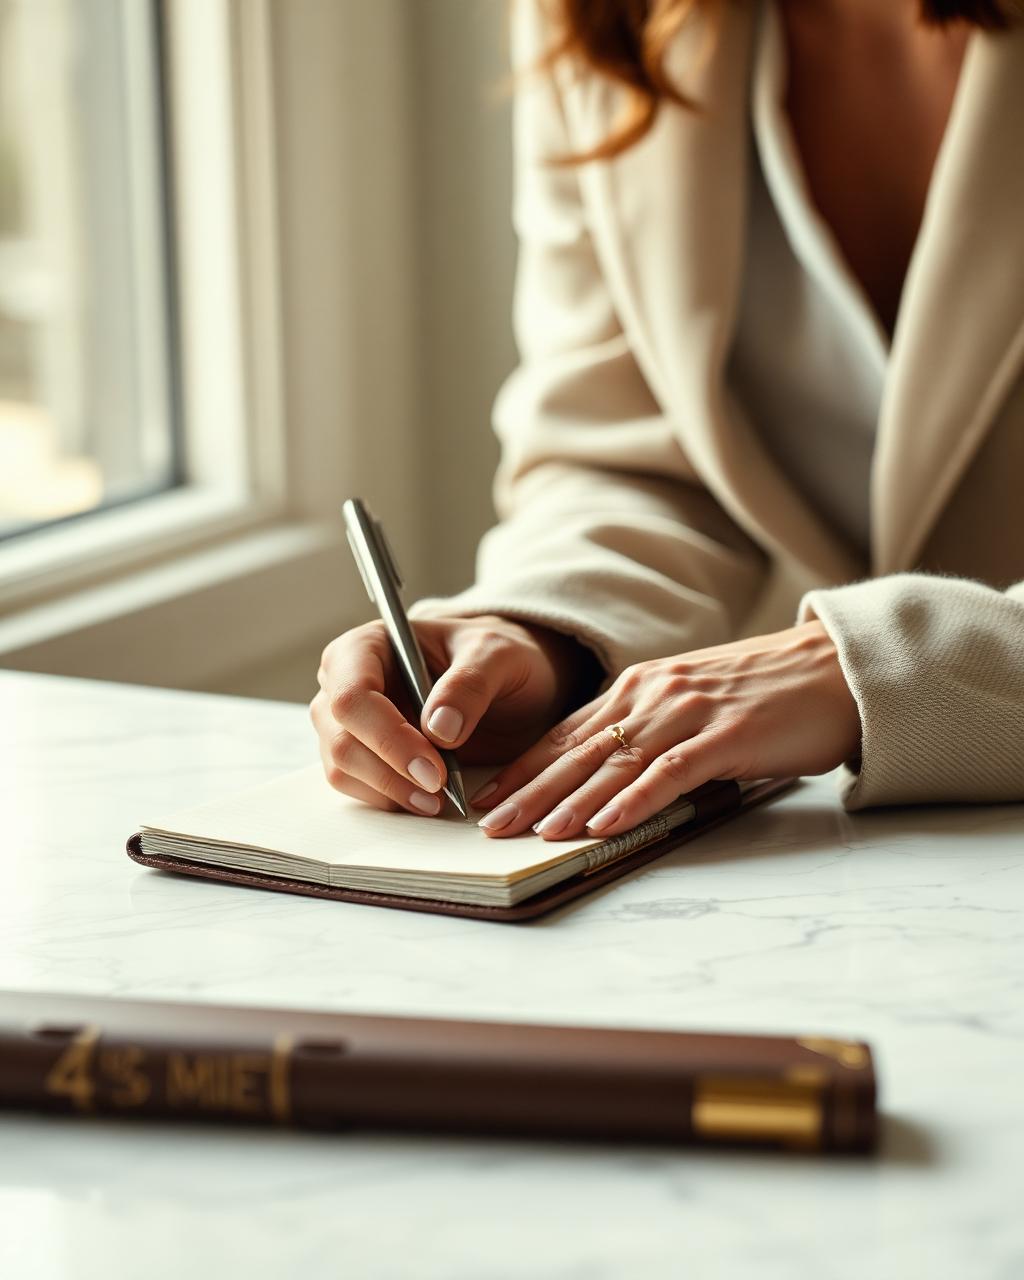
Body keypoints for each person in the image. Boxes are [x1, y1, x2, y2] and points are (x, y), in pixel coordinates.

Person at [310, 0, 1024, 843]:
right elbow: (629, 455)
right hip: (817, 858)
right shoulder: (605, 19)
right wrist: (541, 634)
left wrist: (876, 670)